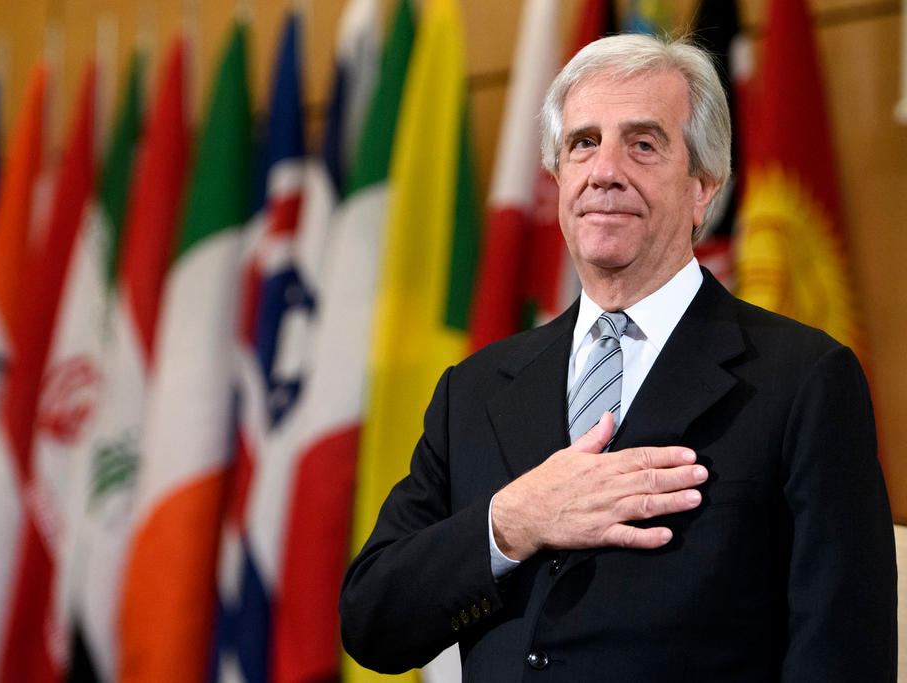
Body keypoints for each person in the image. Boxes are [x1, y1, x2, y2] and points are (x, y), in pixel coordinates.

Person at [339, 33, 896, 682]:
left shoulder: (802, 380)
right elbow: (371, 616)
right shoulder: (475, 388)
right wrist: (514, 520)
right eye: (583, 143)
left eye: (643, 143)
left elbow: (843, 658)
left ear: (703, 186)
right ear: (559, 179)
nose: (605, 170)